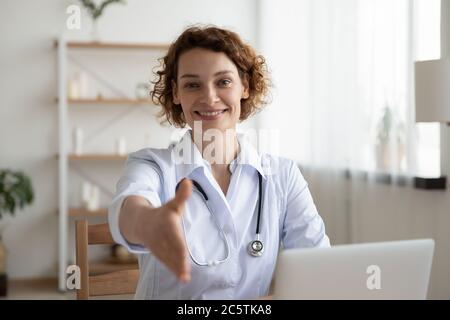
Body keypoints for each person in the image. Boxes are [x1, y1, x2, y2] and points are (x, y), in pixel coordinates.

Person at [108, 25, 330, 300]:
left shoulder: (283, 175)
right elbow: (130, 207)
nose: (209, 97)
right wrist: (148, 223)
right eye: (192, 84)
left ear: (245, 86)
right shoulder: (152, 165)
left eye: (223, 82)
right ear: (176, 93)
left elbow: (318, 264)